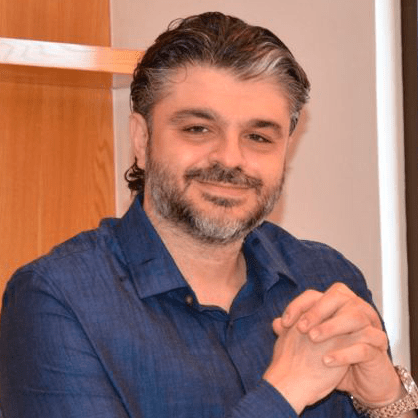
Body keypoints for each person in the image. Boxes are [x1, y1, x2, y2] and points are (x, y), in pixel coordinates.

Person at [0, 11, 416, 418]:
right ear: (142, 140)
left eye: (258, 137)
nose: (231, 158)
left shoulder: (327, 278)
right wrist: (286, 391)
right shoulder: (55, 298)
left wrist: (385, 398)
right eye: (198, 129)